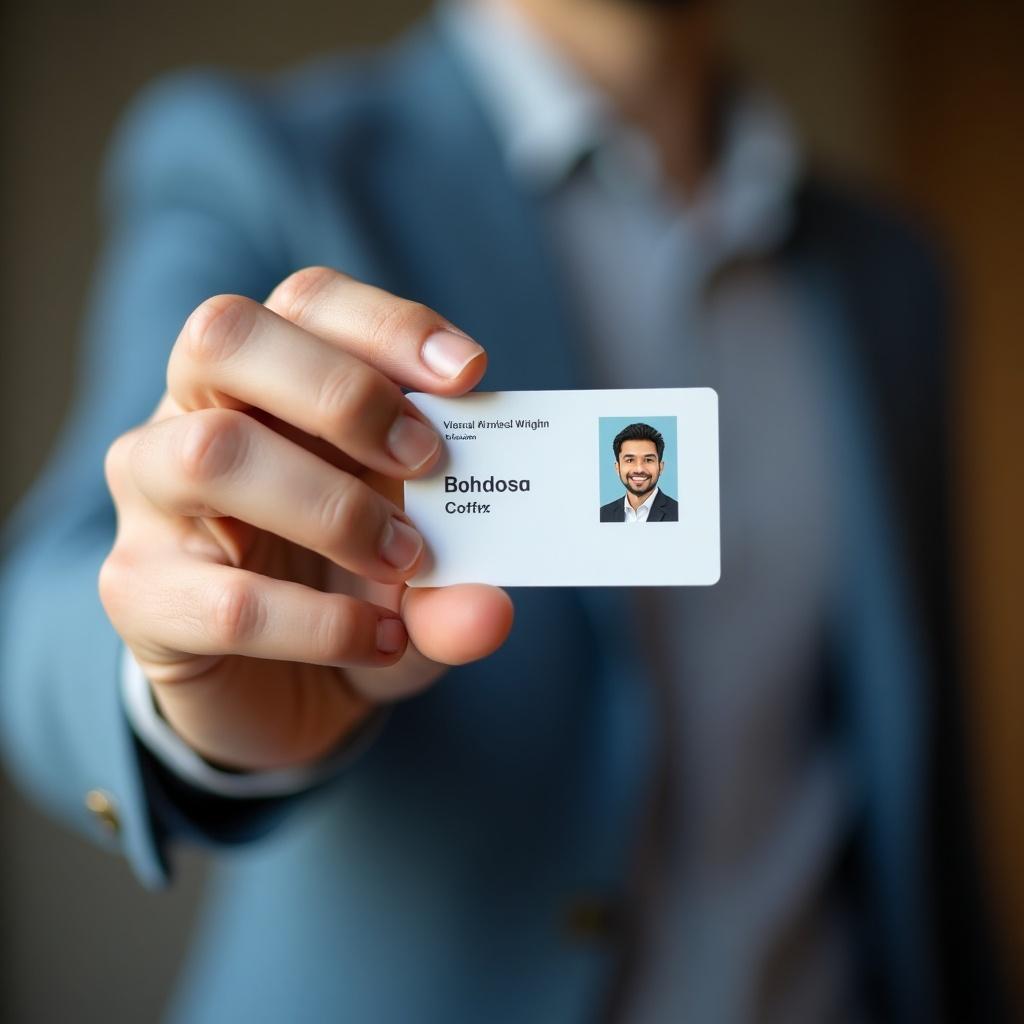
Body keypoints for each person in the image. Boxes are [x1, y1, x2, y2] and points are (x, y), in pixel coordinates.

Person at [0, 0, 1008, 1020]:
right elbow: (49, 598)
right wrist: (180, 668)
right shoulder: (263, 163)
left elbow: (915, 760)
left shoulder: (890, 273)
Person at [600, 422, 679, 523]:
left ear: (660, 467)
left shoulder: (679, 513)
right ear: (617, 467)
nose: (639, 469)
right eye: (630, 460)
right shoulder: (603, 515)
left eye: (648, 460)